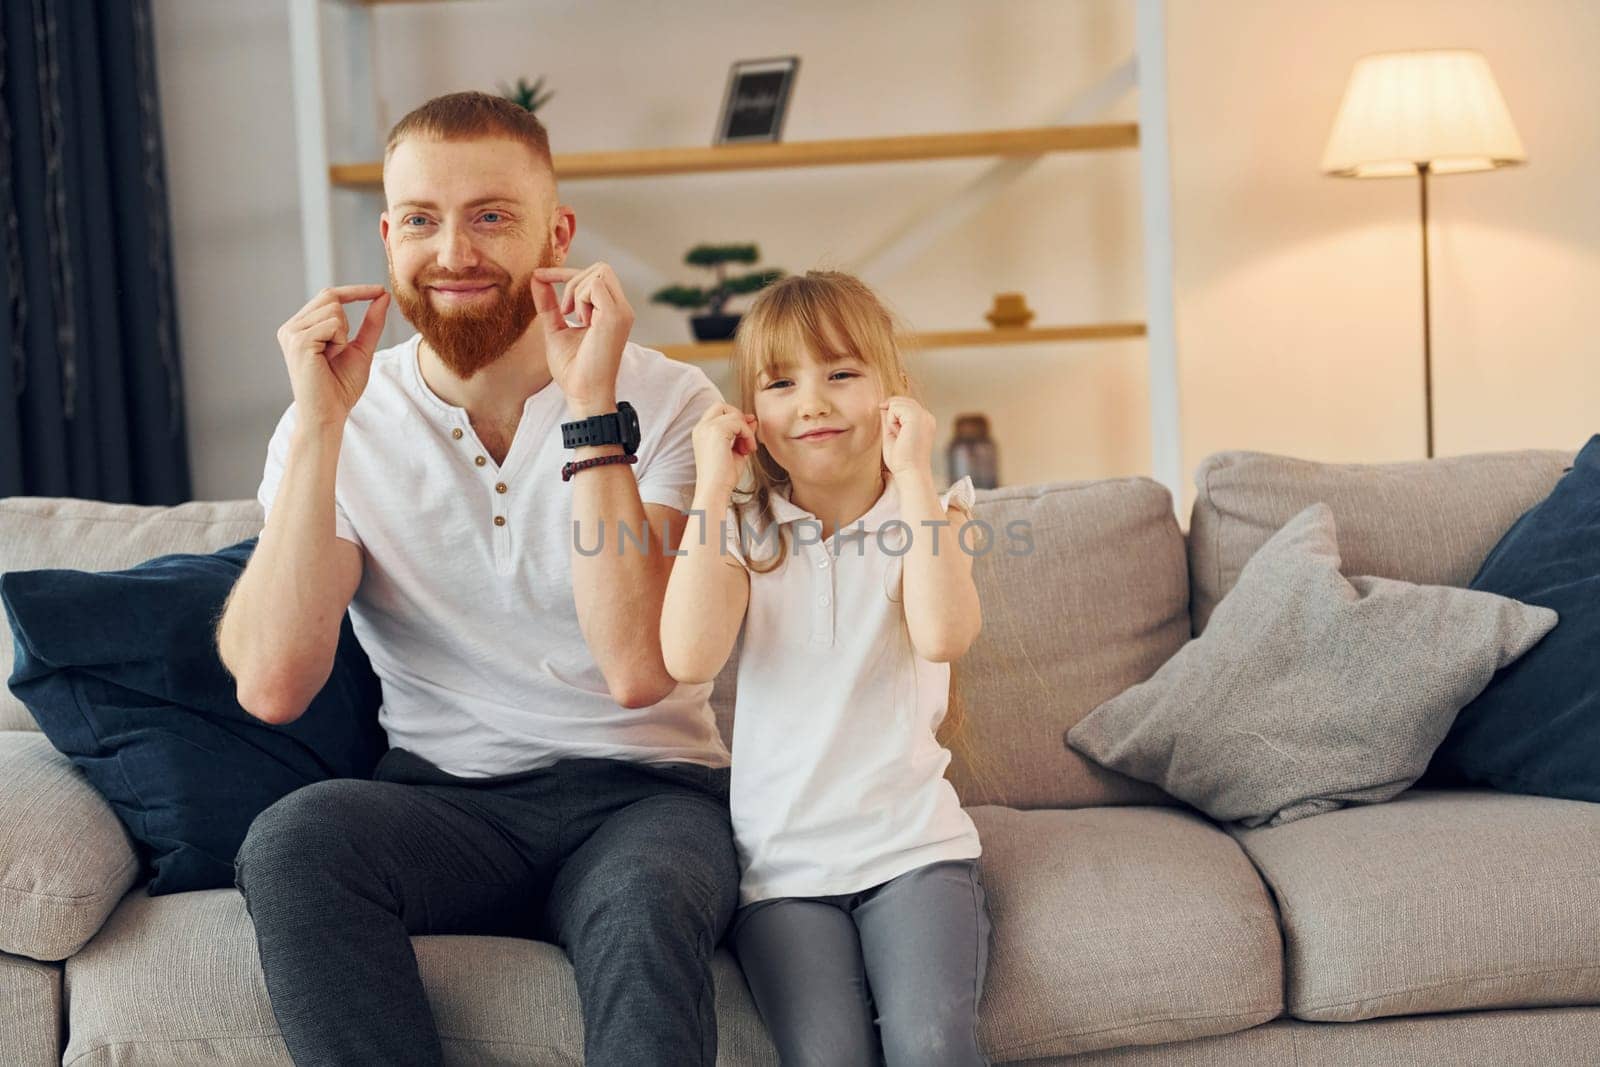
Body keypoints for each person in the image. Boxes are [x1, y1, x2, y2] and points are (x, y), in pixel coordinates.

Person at [218, 91, 738, 1067]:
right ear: (386, 235)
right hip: (446, 803)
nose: (452, 250)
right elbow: (272, 683)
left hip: (646, 795)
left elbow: (634, 667)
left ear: (559, 231)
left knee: (646, 903)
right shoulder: (337, 419)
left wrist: (589, 405)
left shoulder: (666, 400)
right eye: (421, 219)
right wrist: (323, 426)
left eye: (491, 215)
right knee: (292, 841)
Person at [660, 271, 992, 1066]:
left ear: (893, 396)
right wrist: (711, 482)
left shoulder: (936, 511)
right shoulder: (744, 530)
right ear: (753, 416)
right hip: (784, 872)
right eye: (781, 384)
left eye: (841, 374)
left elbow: (945, 634)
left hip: (915, 851)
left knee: (934, 1044)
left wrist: (914, 473)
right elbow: (687, 655)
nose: (811, 402)